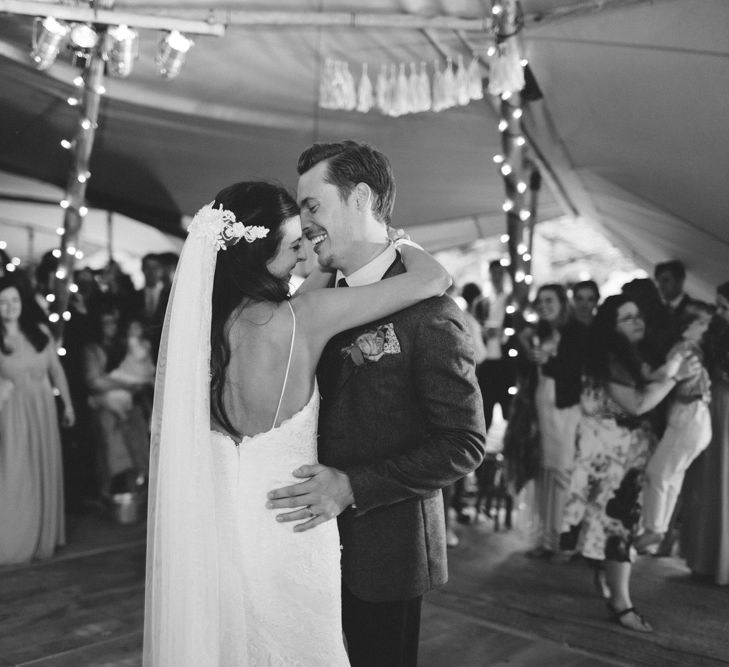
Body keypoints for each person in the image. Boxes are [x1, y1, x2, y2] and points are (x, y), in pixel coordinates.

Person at [143, 180, 454, 666]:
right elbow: (433, 279)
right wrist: (397, 239)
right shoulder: (304, 317)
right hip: (292, 530)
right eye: (293, 245)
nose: (303, 253)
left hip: (220, 532)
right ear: (262, 256)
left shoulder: (199, 329)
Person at [266, 141, 486, 667]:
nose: (304, 222)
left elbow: (464, 443)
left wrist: (353, 487)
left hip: (385, 549)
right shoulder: (314, 297)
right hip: (303, 539)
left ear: (361, 198)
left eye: (313, 205)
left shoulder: (431, 313)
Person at [560, 295, 697, 632]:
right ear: (611, 327)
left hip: (621, 456)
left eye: (638, 316)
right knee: (617, 528)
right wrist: (675, 377)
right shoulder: (609, 357)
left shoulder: (630, 354)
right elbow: (636, 403)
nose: (638, 322)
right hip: (611, 461)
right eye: (628, 318)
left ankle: (607, 581)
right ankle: (621, 603)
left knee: (613, 527)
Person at [0, 275, 75, 565]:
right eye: (3, 302)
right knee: (16, 472)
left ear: (23, 302)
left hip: (43, 409)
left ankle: (44, 534)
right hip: (14, 412)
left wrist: (67, 405)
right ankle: (14, 538)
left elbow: (57, 370)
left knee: (44, 466)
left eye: (14, 300)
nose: (10, 307)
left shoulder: (40, 331)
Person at [636, 303, 712, 553]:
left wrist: (647, 374)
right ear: (689, 326)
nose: (705, 327)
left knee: (658, 472)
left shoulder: (685, 349)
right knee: (672, 475)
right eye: (701, 323)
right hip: (697, 417)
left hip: (688, 415)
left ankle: (654, 527)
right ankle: (659, 526)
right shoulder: (696, 350)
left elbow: (668, 372)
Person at [519, 284, 580, 558]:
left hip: (565, 407)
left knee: (562, 471)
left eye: (549, 300)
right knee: (542, 470)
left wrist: (549, 361)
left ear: (562, 303)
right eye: (540, 301)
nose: (543, 305)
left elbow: (578, 373)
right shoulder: (538, 332)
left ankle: (564, 541)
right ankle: (546, 539)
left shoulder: (575, 332)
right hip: (540, 405)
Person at [682, 280, 729, 585]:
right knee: (709, 479)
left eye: (726, 308)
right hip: (713, 406)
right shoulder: (713, 333)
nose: (720, 313)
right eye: (719, 307)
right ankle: (706, 558)